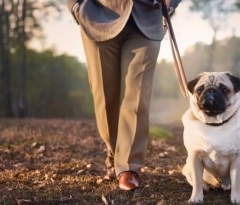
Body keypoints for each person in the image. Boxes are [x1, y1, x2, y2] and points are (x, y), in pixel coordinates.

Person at [66, 0, 181, 191]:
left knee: (137, 95)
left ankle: (129, 167)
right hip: (97, 15)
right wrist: (77, 7)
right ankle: (114, 155)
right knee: (104, 95)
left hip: (147, 19)